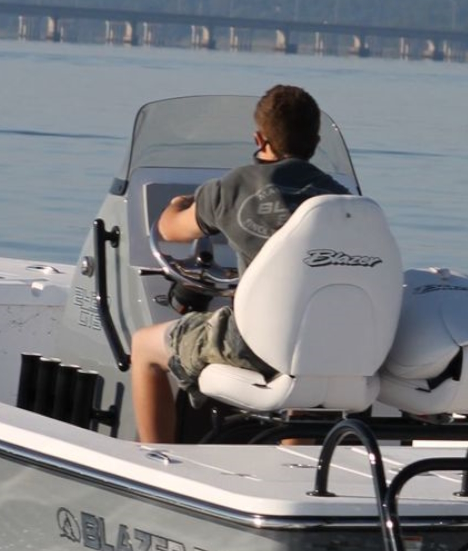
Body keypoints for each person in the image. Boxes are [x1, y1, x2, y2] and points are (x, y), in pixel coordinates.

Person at [129, 85, 349, 442]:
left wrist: (177, 204)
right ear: (316, 141)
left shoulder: (234, 187)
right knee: (305, 353)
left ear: (259, 138)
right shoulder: (341, 198)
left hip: (254, 344)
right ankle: (293, 461)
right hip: (325, 340)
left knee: (143, 346)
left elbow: (170, 230)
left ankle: (153, 459)